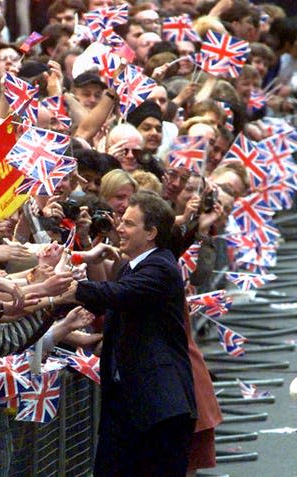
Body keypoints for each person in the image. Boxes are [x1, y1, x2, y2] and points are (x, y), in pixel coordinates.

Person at [74, 191, 196, 477]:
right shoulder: (132, 265)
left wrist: (74, 289)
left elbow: (118, 293)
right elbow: (103, 299)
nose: (119, 228)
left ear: (151, 232)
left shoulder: (161, 267)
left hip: (159, 408)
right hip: (127, 406)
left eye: (129, 223)